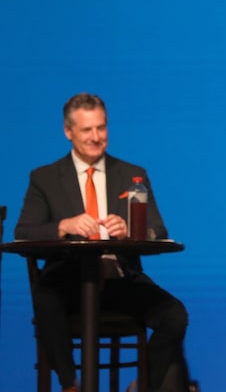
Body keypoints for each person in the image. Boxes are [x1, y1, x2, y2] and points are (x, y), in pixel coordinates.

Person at [15, 93, 195, 392]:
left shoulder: (132, 175)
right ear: (68, 131)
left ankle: (143, 386)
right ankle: (71, 385)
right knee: (45, 297)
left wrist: (131, 230)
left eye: (102, 128)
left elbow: (158, 230)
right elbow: (24, 232)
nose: (96, 137)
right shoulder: (44, 178)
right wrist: (63, 226)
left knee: (175, 316)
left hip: (119, 279)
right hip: (68, 281)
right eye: (87, 130)